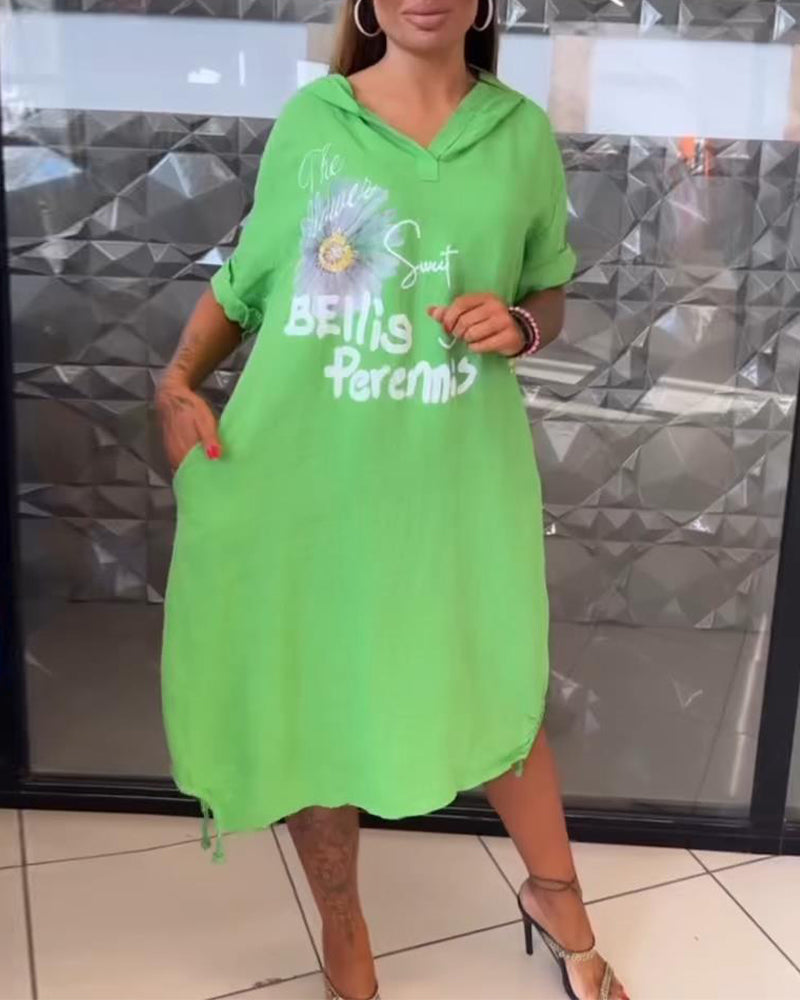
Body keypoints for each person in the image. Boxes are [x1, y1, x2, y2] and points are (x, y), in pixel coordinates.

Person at [157, 0, 631, 997]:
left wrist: (520, 325)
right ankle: (345, 927)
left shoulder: (518, 133)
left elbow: (547, 290)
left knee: (492, 677)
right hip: (306, 477)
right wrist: (177, 379)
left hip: (451, 478)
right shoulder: (315, 120)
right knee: (318, 697)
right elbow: (250, 279)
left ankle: (555, 894)